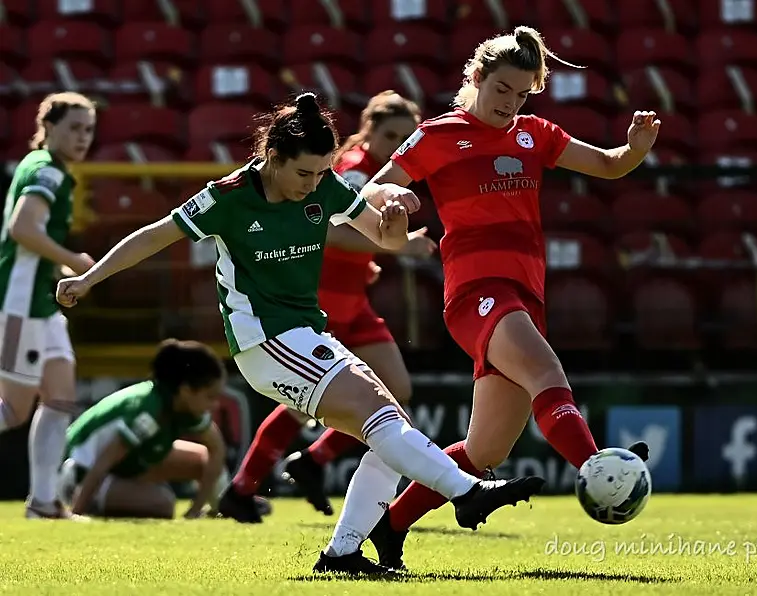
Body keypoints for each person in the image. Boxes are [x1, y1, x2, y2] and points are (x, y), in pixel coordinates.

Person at [55, 92, 546, 575]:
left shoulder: (325, 185)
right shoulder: (228, 198)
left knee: (389, 428)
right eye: (303, 173)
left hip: (304, 334)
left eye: (320, 173)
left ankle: (343, 554)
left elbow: (384, 237)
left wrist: (395, 222)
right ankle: (466, 493)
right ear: (272, 157)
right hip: (263, 341)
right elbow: (155, 234)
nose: (313, 186)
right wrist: (89, 277)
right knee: (382, 415)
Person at [360, 26, 658, 570]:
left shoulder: (534, 133)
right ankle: (598, 470)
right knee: (548, 373)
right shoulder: (437, 135)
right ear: (476, 77)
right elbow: (371, 185)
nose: (510, 103)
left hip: (524, 295)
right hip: (476, 292)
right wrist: (394, 194)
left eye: (521, 94)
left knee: (484, 453)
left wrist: (634, 150)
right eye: (502, 89)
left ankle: (391, 524)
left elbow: (611, 164)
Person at [218, 90, 436, 521]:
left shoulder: (378, 175)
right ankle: (246, 487)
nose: (397, 145)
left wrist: (370, 260)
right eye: (390, 134)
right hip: (323, 299)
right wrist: (398, 247)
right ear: (367, 130)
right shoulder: (353, 172)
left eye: (406, 138)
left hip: (354, 299)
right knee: (307, 402)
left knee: (395, 393)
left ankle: (310, 462)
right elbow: (329, 231)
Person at [0, 92, 97, 519]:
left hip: (42, 303)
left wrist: (60, 271)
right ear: (49, 126)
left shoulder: (48, 169)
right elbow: (22, 228)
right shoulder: (47, 171)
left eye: (89, 129)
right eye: (74, 127)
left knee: (60, 397)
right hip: (20, 304)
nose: (83, 137)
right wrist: (73, 261)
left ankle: (43, 503)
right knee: (13, 410)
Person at [57, 339, 227, 519]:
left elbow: (216, 448)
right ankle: (92, 503)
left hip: (123, 465)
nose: (215, 405)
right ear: (185, 390)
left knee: (203, 460)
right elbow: (104, 461)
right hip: (80, 472)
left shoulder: (185, 406)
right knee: (163, 504)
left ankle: (221, 508)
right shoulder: (149, 409)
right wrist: (76, 512)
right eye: (210, 397)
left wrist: (196, 510)